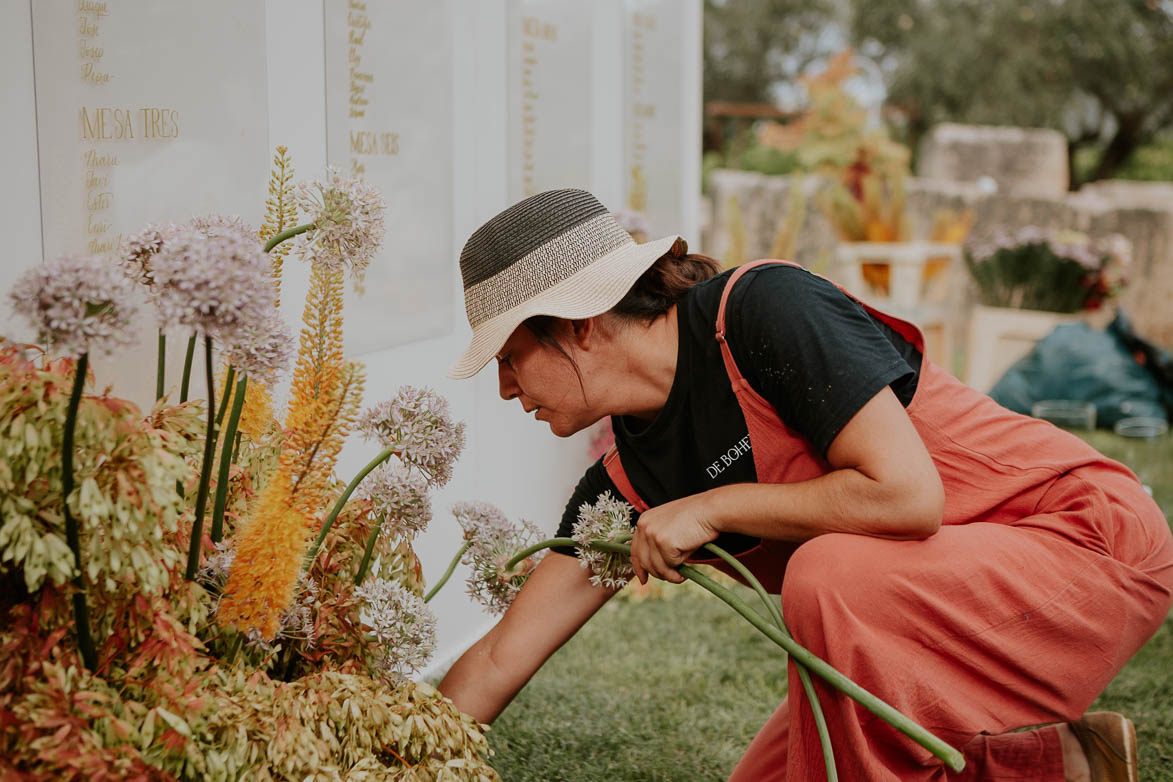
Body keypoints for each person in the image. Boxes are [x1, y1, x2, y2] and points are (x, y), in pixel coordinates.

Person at [438, 189, 1173, 781]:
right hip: (942, 595)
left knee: (829, 572)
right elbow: (503, 657)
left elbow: (906, 498)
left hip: (1085, 544)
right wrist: (379, 754)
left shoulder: (763, 310)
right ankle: (1065, 764)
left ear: (580, 323)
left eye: (510, 355)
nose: (504, 389)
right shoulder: (626, 481)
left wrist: (713, 506)